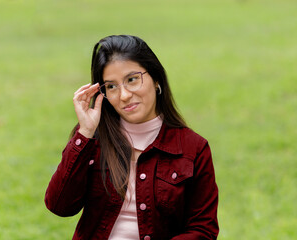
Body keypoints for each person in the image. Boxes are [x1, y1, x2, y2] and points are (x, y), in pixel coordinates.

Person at [45, 35, 219, 240]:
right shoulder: (92, 140)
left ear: (156, 80)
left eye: (132, 80)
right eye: (111, 86)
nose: (124, 95)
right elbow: (59, 206)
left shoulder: (193, 148)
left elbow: (203, 230)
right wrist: (84, 133)